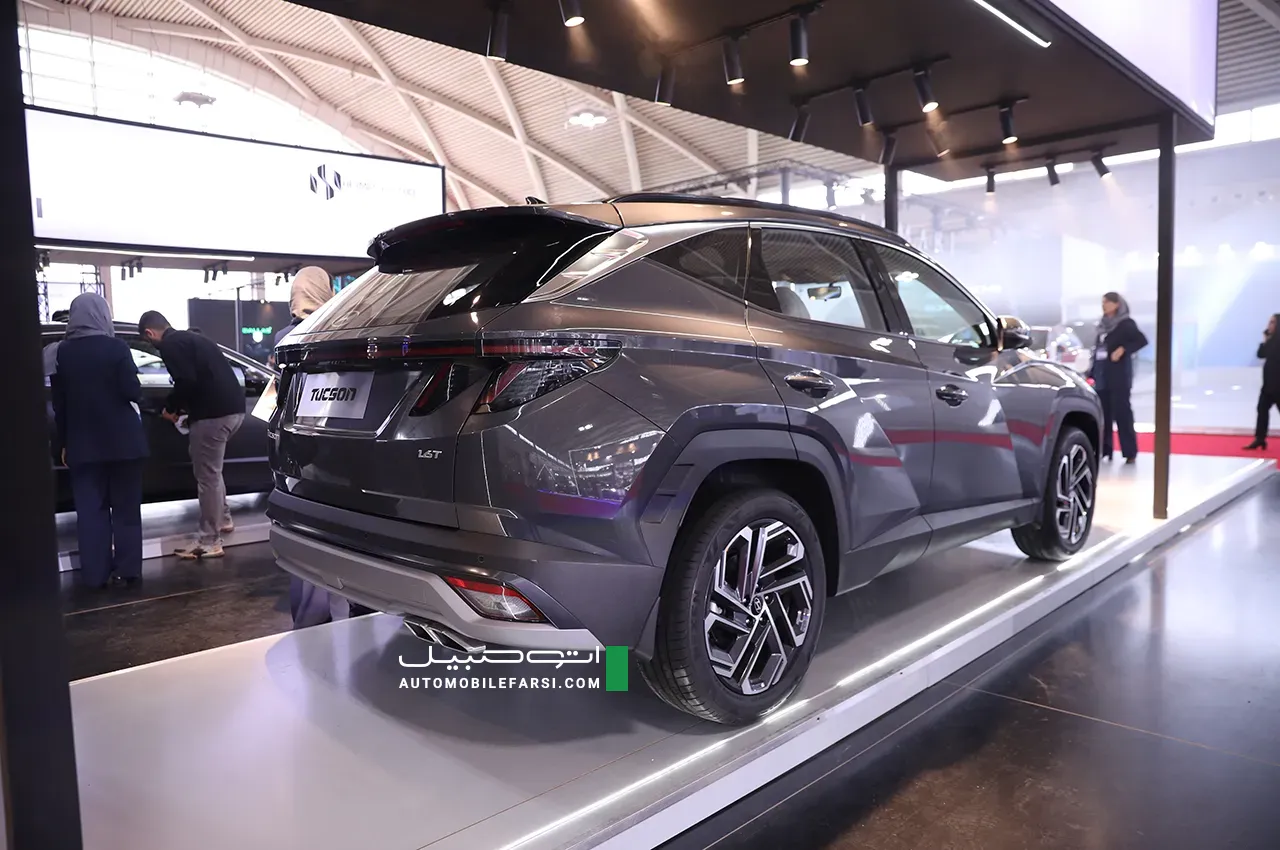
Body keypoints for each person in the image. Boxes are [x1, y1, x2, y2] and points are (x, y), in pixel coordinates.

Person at [272, 266, 375, 627]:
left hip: (298, 452)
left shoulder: (284, 337)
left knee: (306, 540)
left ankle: (309, 626)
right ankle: (358, 615)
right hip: (342, 449)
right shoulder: (344, 331)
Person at [51, 294, 148, 589]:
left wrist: (64, 443)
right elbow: (132, 390)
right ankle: (128, 570)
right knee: (126, 509)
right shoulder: (116, 347)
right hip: (124, 443)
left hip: (82, 445)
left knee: (90, 512)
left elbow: (60, 405)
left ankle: (94, 576)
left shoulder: (62, 352)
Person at [137, 310, 245, 559]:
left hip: (213, 415)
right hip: (234, 411)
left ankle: (209, 541)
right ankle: (224, 519)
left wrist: (171, 408)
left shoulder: (170, 345)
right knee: (212, 472)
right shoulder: (194, 339)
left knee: (207, 477)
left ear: (149, 333)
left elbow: (185, 381)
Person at [1088, 292, 1147, 465]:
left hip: (1119, 377)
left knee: (1122, 414)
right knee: (1103, 414)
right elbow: (1098, 350)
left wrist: (1123, 349)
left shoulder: (1126, 324)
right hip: (1102, 375)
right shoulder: (1102, 325)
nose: (1104, 305)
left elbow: (1141, 341)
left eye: (1107, 302)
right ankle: (1105, 450)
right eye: (1103, 302)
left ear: (1117, 304)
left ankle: (1129, 452)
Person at [1244, 313, 1280, 451]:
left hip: (1278, 385)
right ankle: (1260, 439)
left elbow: (1271, 353)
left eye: (1272, 322)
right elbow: (1261, 354)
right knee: (1262, 409)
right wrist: (1265, 340)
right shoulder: (1270, 340)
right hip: (1268, 384)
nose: (1269, 325)